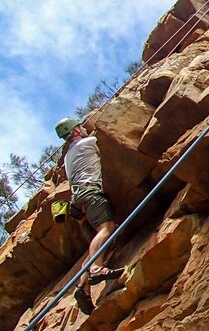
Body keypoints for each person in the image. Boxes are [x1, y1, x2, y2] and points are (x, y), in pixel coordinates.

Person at [55, 117, 124, 315]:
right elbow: (108, 133)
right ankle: (95, 269)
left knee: (98, 241)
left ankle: (83, 287)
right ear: (75, 132)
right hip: (90, 193)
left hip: (77, 203)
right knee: (107, 229)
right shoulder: (87, 142)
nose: (84, 129)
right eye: (80, 127)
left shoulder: (68, 156)